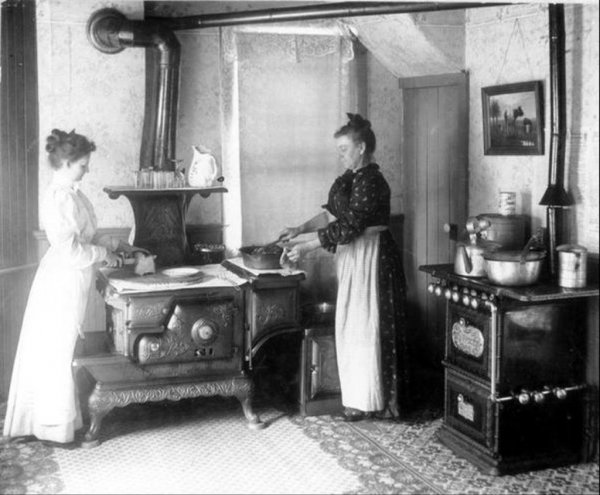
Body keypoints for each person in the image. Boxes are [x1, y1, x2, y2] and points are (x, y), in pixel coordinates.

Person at [2, 129, 133, 446]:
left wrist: (113, 244)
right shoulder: (58, 197)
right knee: (55, 350)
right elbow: (70, 250)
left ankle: (59, 422)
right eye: (82, 165)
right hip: (61, 279)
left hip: (73, 277)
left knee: (59, 348)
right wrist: (104, 255)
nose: (86, 170)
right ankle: (52, 427)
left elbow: (85, 238)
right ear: (65, 162)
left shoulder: (73, 193)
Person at [280, 113, 410, 421]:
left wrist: (306, 247)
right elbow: (330, 216)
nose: (340, 154)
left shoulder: (373, 181)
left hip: (372, 257)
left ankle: (375, 401)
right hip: (353, 255)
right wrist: (299, 229)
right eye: (338, 149)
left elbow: (350, 227)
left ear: (362, 147)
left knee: (368, 327)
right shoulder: (350, 178)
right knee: (352, 326)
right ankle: (357, 397)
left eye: (344, 148)